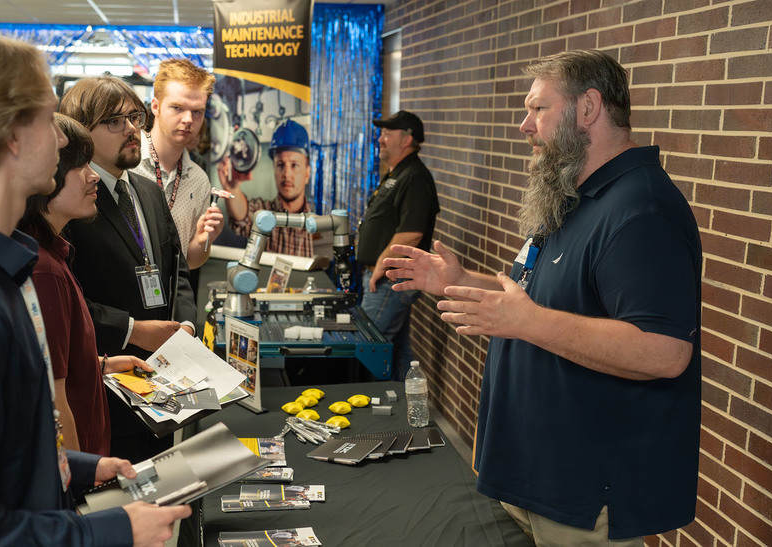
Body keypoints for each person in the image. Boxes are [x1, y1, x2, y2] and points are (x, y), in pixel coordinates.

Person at [0, 32, 190, 545]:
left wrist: (76, 466)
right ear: (9, 135)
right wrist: (112, 530)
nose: (65, 139)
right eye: (49, 117)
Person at [384, 50, 701, 544]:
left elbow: (664, 352)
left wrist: (527, 322)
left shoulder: (642, 211)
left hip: (584, 496)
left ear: (588, 108)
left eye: (537, 109)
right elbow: (534, 298)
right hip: (533, 475)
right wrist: (460, 281)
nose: (523, 125)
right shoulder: (575, 195)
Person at [59, 76, 198, 461]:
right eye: (115, 121)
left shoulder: (147, 190)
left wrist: (184, 326)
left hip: (163, 379)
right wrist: (133, 331)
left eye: (135, 117)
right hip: (104, 380)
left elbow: (177, 270)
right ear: (81, 133)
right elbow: (67, 300)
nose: (132, 129)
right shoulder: (71, 203)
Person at [18, 114, 154, 456]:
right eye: (80, 166)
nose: (93, 176)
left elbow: (55, 359)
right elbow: (54, 397)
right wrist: (81, 482)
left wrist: (100, 365)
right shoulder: (43, 269)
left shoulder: (54, 253)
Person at [356, 110, 440, 381]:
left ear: (407, 140)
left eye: (387, 134)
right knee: (397, 351)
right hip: (385, 277)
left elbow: (412, 233)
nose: (380, 139)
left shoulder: (414, 176)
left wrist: (381, 264)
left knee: (368, 349)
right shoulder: (398, 174)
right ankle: (408, 412)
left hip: (391, 279)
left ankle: (367, 410)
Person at [131, 58, 223, 270]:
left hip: (172, 299)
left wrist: (202, 241)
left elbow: (190, 262)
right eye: (177, 108)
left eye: (197, 111)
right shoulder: (128, 163)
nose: (188, 119)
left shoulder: (199, 180)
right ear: (156, 106)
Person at [218, 120, 316, 257]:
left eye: (294, 165)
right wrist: (232, 188)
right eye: (280, 164)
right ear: (274, 169)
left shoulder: (319, 222)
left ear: (307, 173)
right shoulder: (264, 215)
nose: (287, 174)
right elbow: (242, 216)